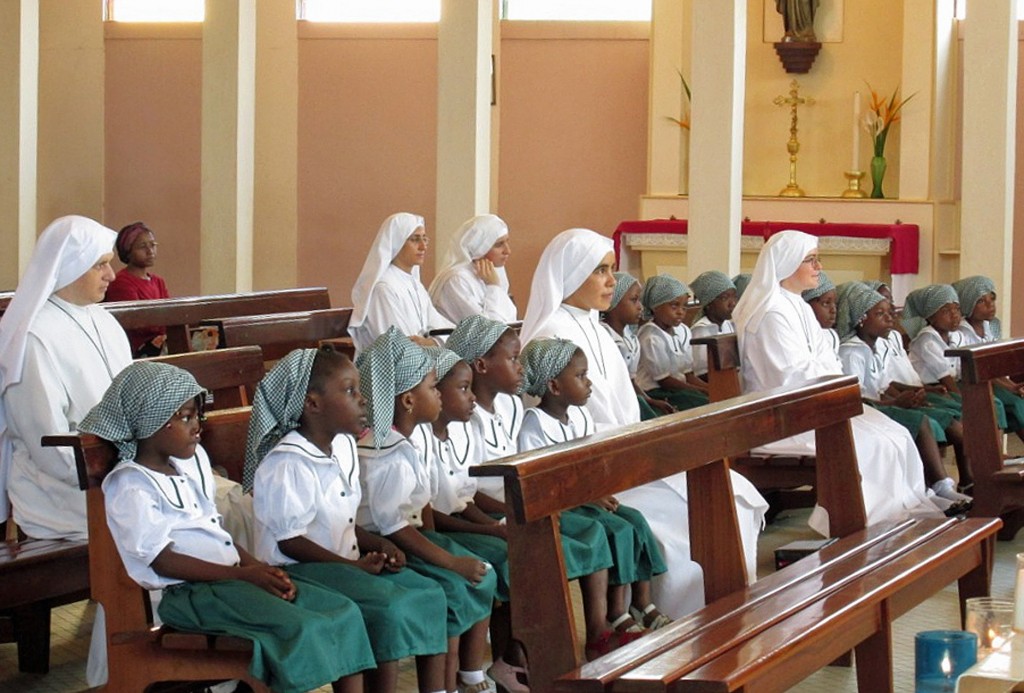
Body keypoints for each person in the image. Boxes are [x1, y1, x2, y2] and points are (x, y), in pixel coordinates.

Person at [79, 361, 374, 693]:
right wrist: (242, 575)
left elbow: (217, 534)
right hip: (190, 595)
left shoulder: (191, 464)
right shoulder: (131, 486)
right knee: (296, 627)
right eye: (185, 417)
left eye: (197, 417)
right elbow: (161, 560)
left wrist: (258, 568)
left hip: (229, 582)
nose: (196, 427)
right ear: (151, 421)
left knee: (344, 612)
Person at [520, 228, 767, 618]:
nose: (611, 282)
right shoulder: (553, 333)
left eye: (612, 270)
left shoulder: (594, 328)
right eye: (600, 270)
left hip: (626, 453)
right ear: (570, 273)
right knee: (686, 517)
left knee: (732, 493)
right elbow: (580, 418)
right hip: (592, 467)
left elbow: (624, 405)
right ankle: (687, 614)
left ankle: (722, 607)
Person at [244, 346, 449, 693]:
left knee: (428, 592)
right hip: (298, 570)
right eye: (350, 390)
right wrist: (350, 567)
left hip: (340, 563)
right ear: (313, 404)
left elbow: (342, 520)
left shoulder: (342, 447)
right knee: (390, 605)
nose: (363, 400)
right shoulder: (287, 463)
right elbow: (289, 541)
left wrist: (378, 543)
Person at [732, 230, 939, 535]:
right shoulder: (770, 313)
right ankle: (859, 524)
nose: (819, 267)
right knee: (868, 443)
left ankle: (894, 516)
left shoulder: (798, 305)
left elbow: (827, 358)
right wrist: (828, 374)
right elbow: (786, 374)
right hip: (782, 414)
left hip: (814, 401)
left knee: (894, 434)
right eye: (811, 260)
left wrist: (829, 374)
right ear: (788, 263)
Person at [446, 316, 626, 661]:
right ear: (481, 365)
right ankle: (519, 654)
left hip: (520, 502)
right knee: (534, 547)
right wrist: (516, 507)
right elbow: (467, 489)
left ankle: (590, 632)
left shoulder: (511, 405)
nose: (520, 367)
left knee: (584, 531)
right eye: (513, 360)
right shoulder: (465, 419)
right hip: (492, 508)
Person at [355, 328, 496, 693]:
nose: (437, 394)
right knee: (449, 585)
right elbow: (393, 526)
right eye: (433, 387)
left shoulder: (403, 443)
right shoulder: (385, 454)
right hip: (387, 547)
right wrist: (449, 561)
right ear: (407, 401)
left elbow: (422, 509)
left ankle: (454, 682)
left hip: (408, 539)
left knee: (471, 579)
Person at [519, 337, 670, 637]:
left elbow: (588, 464)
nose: (589, 383)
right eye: (580, 376)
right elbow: (542, 481)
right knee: (618, 529)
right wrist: (588, 495)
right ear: (554, 386)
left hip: (587, 498)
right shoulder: (534, 424)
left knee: (637, 520)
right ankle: (615, 612)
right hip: (561, 503)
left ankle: (643, 603)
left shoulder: (579, 415)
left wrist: (597, 491)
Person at [0, 215, 132, 540]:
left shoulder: (105, 321)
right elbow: (50, 446)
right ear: (70, 266)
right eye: (99, 265)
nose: (111, 275)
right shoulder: (33, 338)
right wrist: (125, 473)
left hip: (119, 469)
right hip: (65, 489)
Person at [835, 283, 971, 513]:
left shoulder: (871, 347)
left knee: (936, 415)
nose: (889, 319)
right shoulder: (852, 352)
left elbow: (884, 385)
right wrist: (895, 403)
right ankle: (940, 486)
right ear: (860, 319)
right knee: (921, 421)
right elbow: (857, 398)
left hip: (878, 403)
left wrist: (912, 395)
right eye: (880, 314)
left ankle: (945, 484)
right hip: (864, 410)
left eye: (890, 313)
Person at [348, 213, 455, 354]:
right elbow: (401, 346)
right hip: (395, 370)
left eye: (424, 239)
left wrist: (431, 342)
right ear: (396, 242)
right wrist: (431, 343)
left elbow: (445, 329)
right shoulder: (384, 288)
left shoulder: (414, 284)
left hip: (423, 361)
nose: (423, 247)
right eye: (415, 240)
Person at [952, 275, 1024, 439]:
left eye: (992, 299)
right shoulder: (959, 333)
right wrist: (1008, 387)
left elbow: (995, 364)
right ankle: (996, 454)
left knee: (1019, 399)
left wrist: (1012, 385)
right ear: (968, 305)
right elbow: (970, 368)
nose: (990, 305)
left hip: (990, 380)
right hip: (969, 382)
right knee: (998, 404)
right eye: (981, 301)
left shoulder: (989, 327)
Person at [600, 272, 673, 419]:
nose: (640, 307)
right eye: (634, 300)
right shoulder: (603, 337)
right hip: (613, 405)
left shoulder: (630, 337)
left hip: (632, 398)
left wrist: (651, 401)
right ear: (613, 303)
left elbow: (631, 382)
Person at [635, 274, 709, 412]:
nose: (681, 312)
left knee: (713, 399)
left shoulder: (681, 331)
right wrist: (701, 391)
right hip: (657, 393)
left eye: (684, 307)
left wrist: (708, 389)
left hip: (678, 389)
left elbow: (688, 375)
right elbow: (665, 381)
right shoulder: (650, 337)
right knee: (703, 405)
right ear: (656, 306)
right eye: (674, 305)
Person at [428, 215, 516, 324]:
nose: (507, 251)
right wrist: (493, 286)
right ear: (479, 247)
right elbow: (488, 331)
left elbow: (510, 320)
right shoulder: (457, 280)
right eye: (499, 245)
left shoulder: (493, 273)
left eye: (507, 242)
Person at [104, 221, 171, 357]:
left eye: (153, 245)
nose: (150, 251)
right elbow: (136, 322)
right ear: (128, 252)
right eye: (142, 247)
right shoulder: (121, 282)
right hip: (138, 347)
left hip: (161, 340)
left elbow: (170, 313)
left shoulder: (158, 281)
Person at [689, 270, 737, 379]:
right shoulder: (701, 330)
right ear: (709, 303)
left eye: (734, 297)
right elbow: (701, 372)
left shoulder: (728, 325)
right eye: (725, 298)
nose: (732, 303)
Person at [802, 270, 839, 354]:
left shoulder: (831, 335)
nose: (833, 310)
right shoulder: (797, 334)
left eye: (835, 303)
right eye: (826, 303)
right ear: (806, 304)